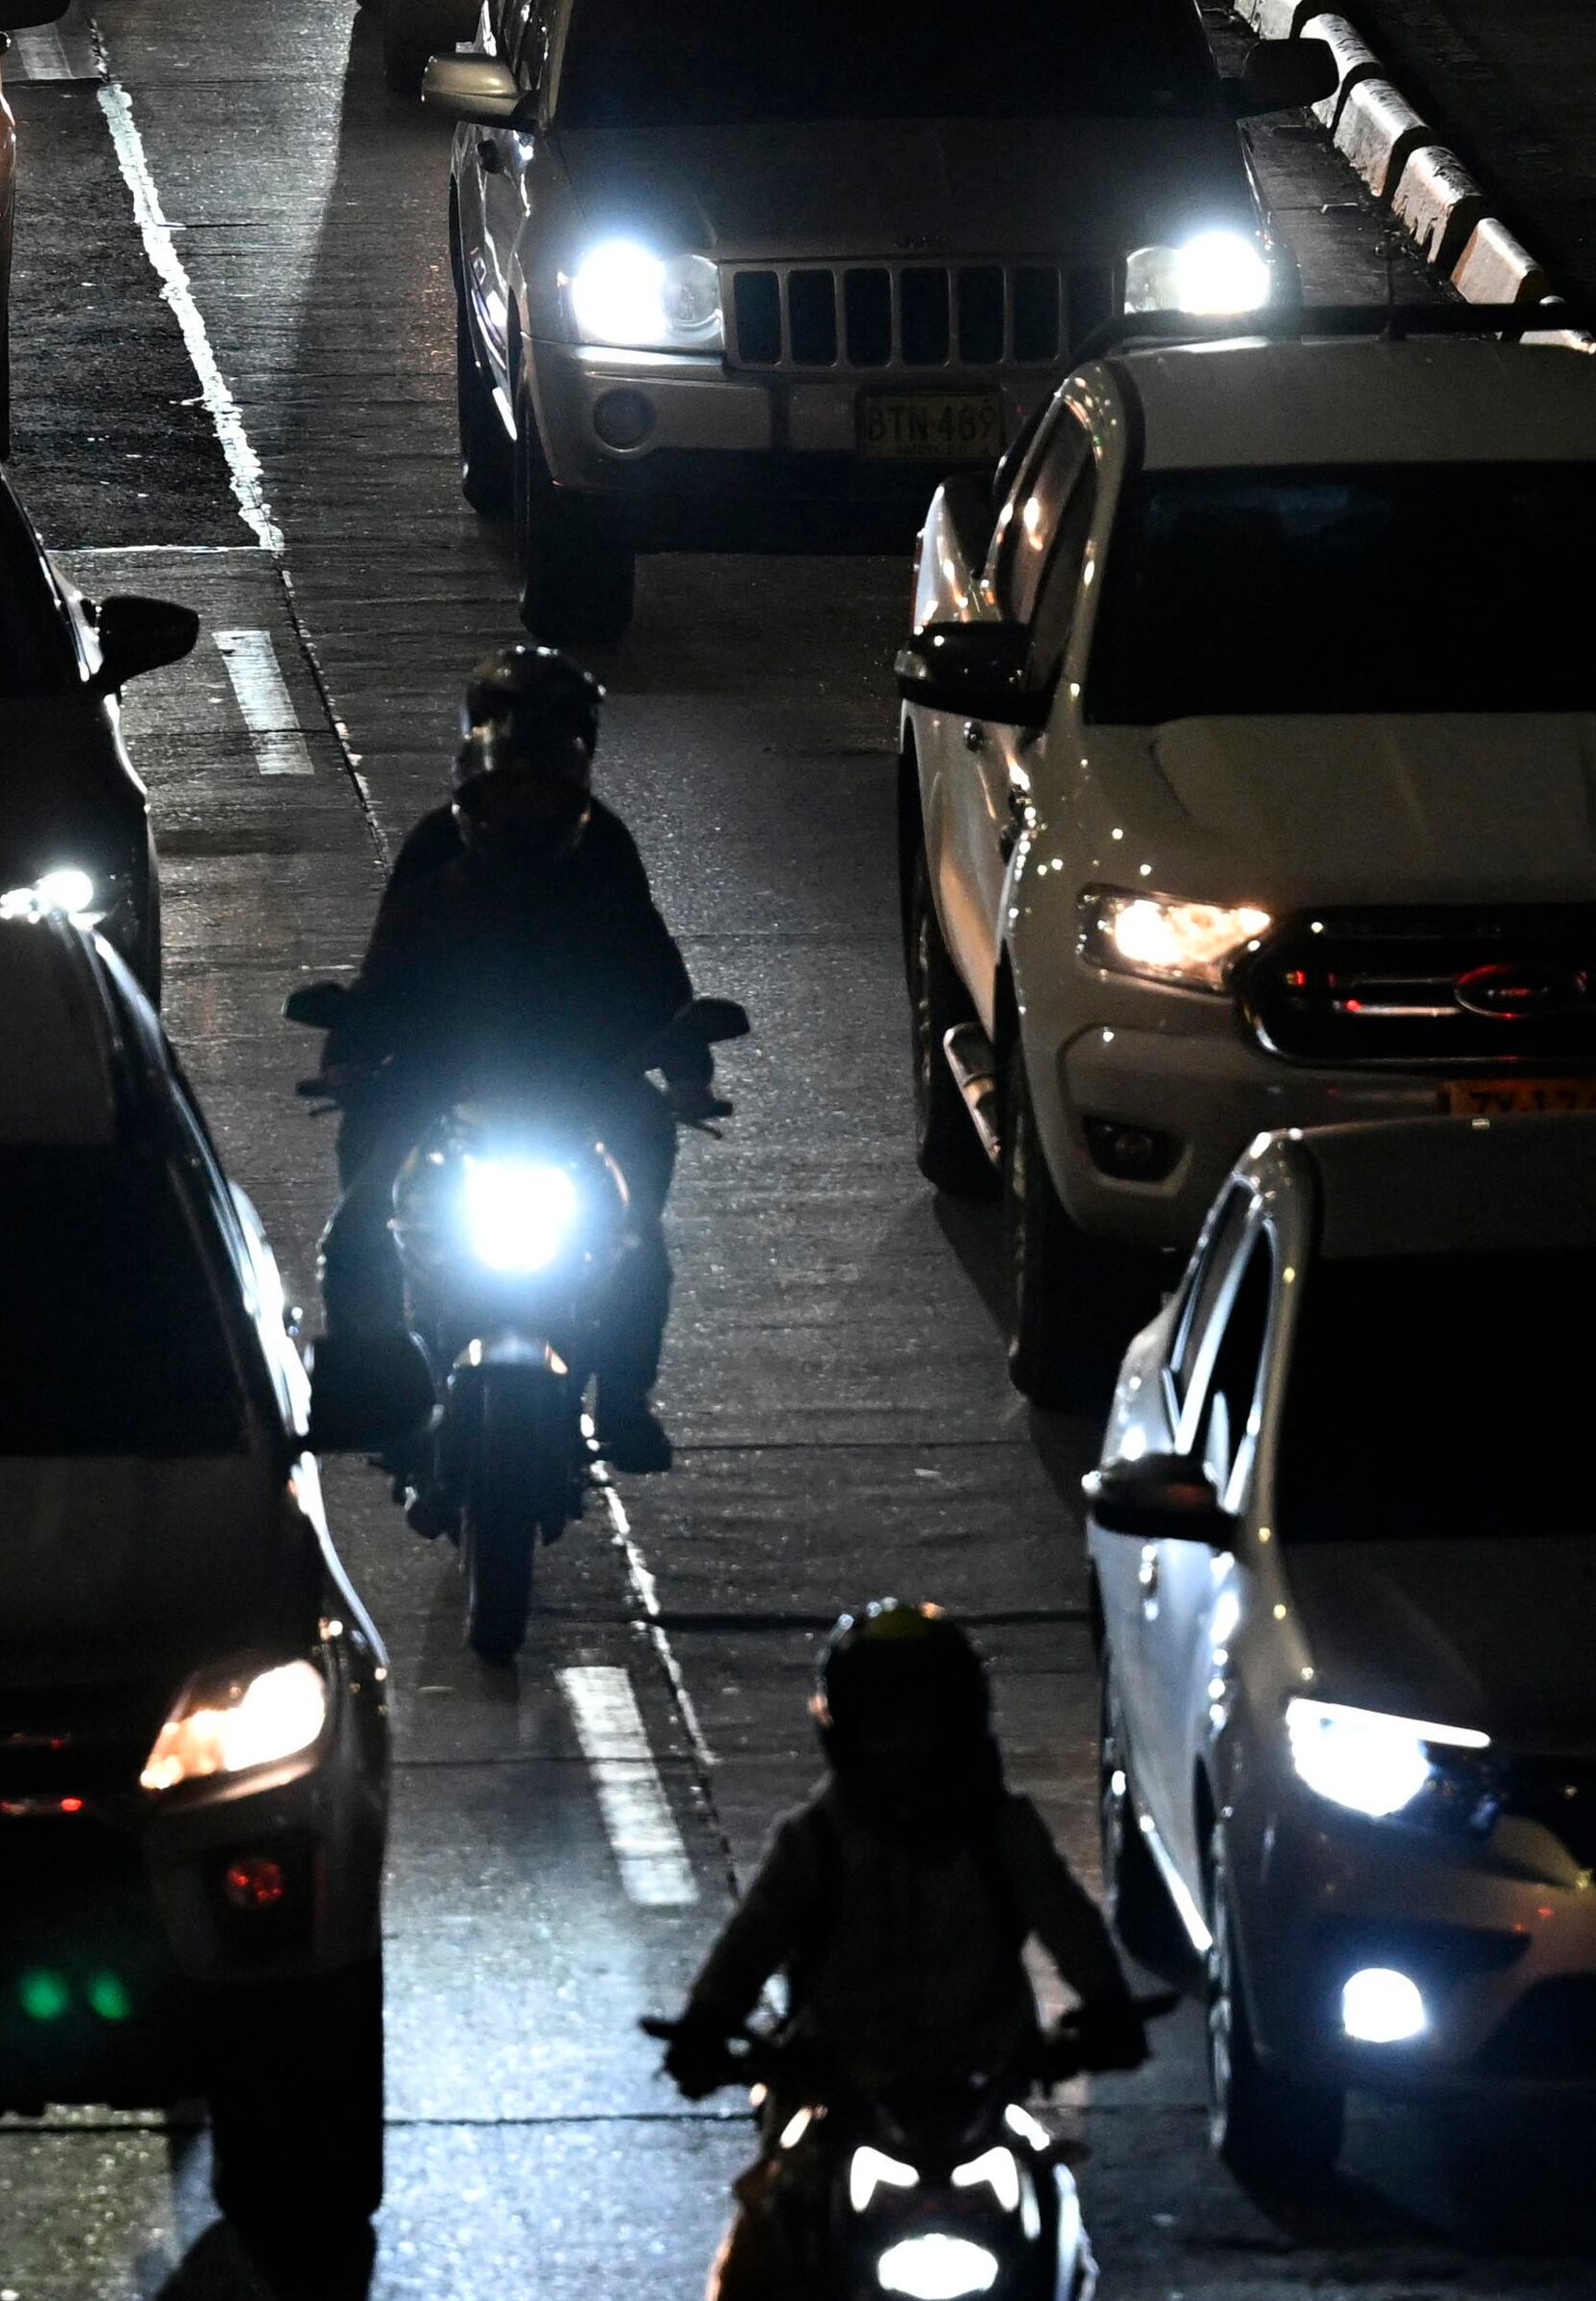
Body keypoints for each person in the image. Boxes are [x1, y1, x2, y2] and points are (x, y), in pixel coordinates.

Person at [660, 1603, 1147, 2301]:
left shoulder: (1003, 1832)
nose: (904, 1747)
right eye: (883, 1726)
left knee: (1058, 2235)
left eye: (922, 1724)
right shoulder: (817, 1840)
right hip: (839, 2094)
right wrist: (705, 2024)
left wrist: (1110, 2007)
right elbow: (751, 1940)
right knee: (762, 2255)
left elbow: (1070, 1922)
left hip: (980, 2096)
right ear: (846, 1729)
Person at [311, 647, 707, 1473]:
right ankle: (371, 1389)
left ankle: (625, 1401)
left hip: (581, 1078)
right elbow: (384, 967)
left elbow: (653, 963)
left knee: (638, 1237)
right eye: (507, 784)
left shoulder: (605, 852)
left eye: (541, 781)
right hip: (439, 1072)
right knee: (359, 1224)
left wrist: (687, 1060)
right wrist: (349, 1048)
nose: (523, 801)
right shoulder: (432, 853)